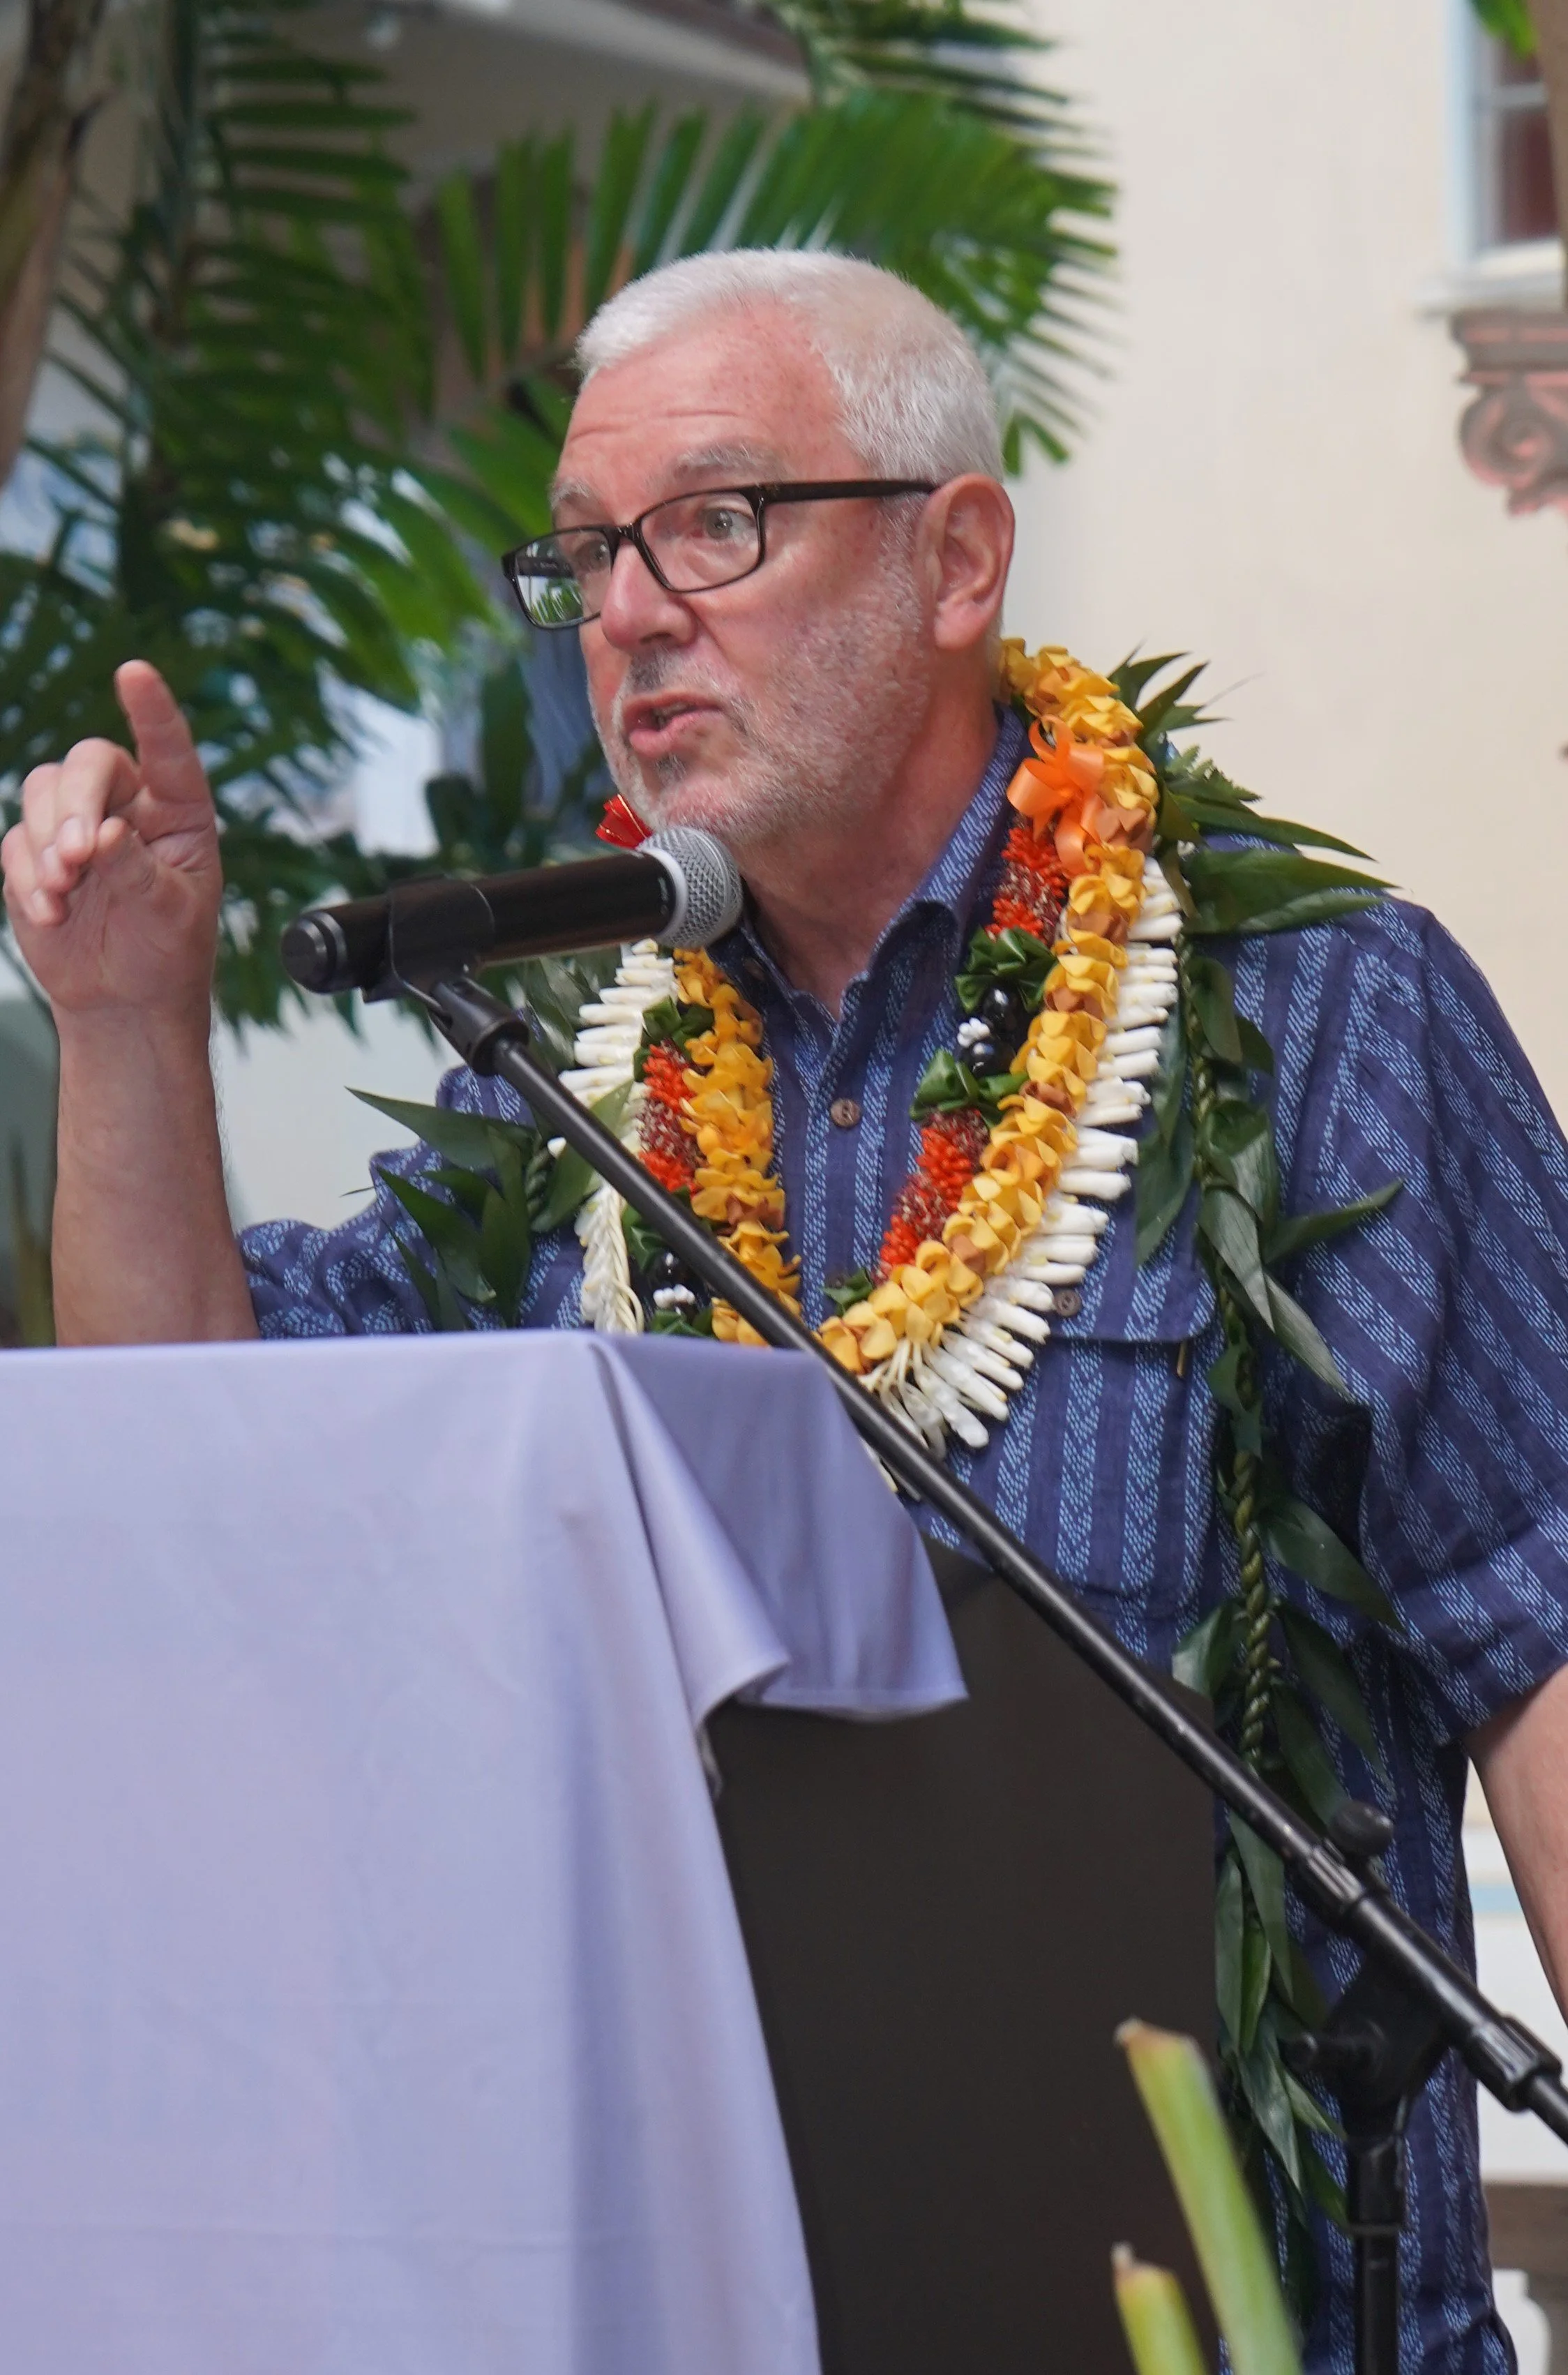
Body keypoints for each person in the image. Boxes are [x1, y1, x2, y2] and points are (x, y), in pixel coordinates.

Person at [7, 248, 1568, 2372]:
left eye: (717, 523)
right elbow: (210, 1465)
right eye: (586, 556)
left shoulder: (1316, 1018)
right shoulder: (568, 1095)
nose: (631, 613)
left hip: (1243, 2323)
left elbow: (1540, 1644)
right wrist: (123, 1020)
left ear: (958, 559)